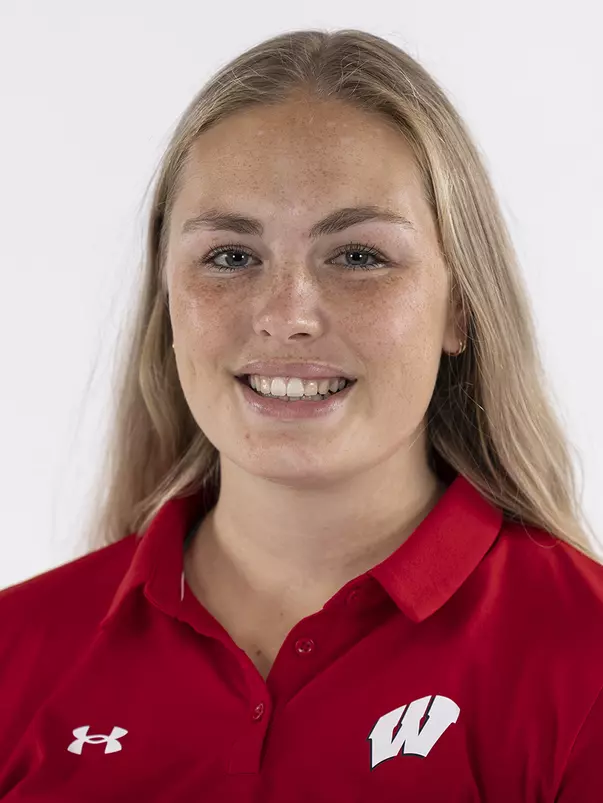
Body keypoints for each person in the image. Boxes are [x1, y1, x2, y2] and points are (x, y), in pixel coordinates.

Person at [1, 27, 602, 802]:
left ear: (459, 307)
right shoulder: (17, 655)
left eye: (357, 256)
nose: (287, 316)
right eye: (230, 256)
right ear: (169, 303)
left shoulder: (583, 663)